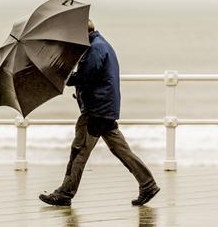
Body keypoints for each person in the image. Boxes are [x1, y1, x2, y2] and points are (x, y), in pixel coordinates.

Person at [39, 20, 160, 206]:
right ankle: (148, 184)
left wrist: (60, 75)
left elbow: (85, 76)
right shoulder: (101, 45)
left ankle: (65, 193)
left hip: (96, 110)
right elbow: (96, 78)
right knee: (121, 149)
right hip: (105, 107)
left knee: (79, 151)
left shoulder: (95, 49)